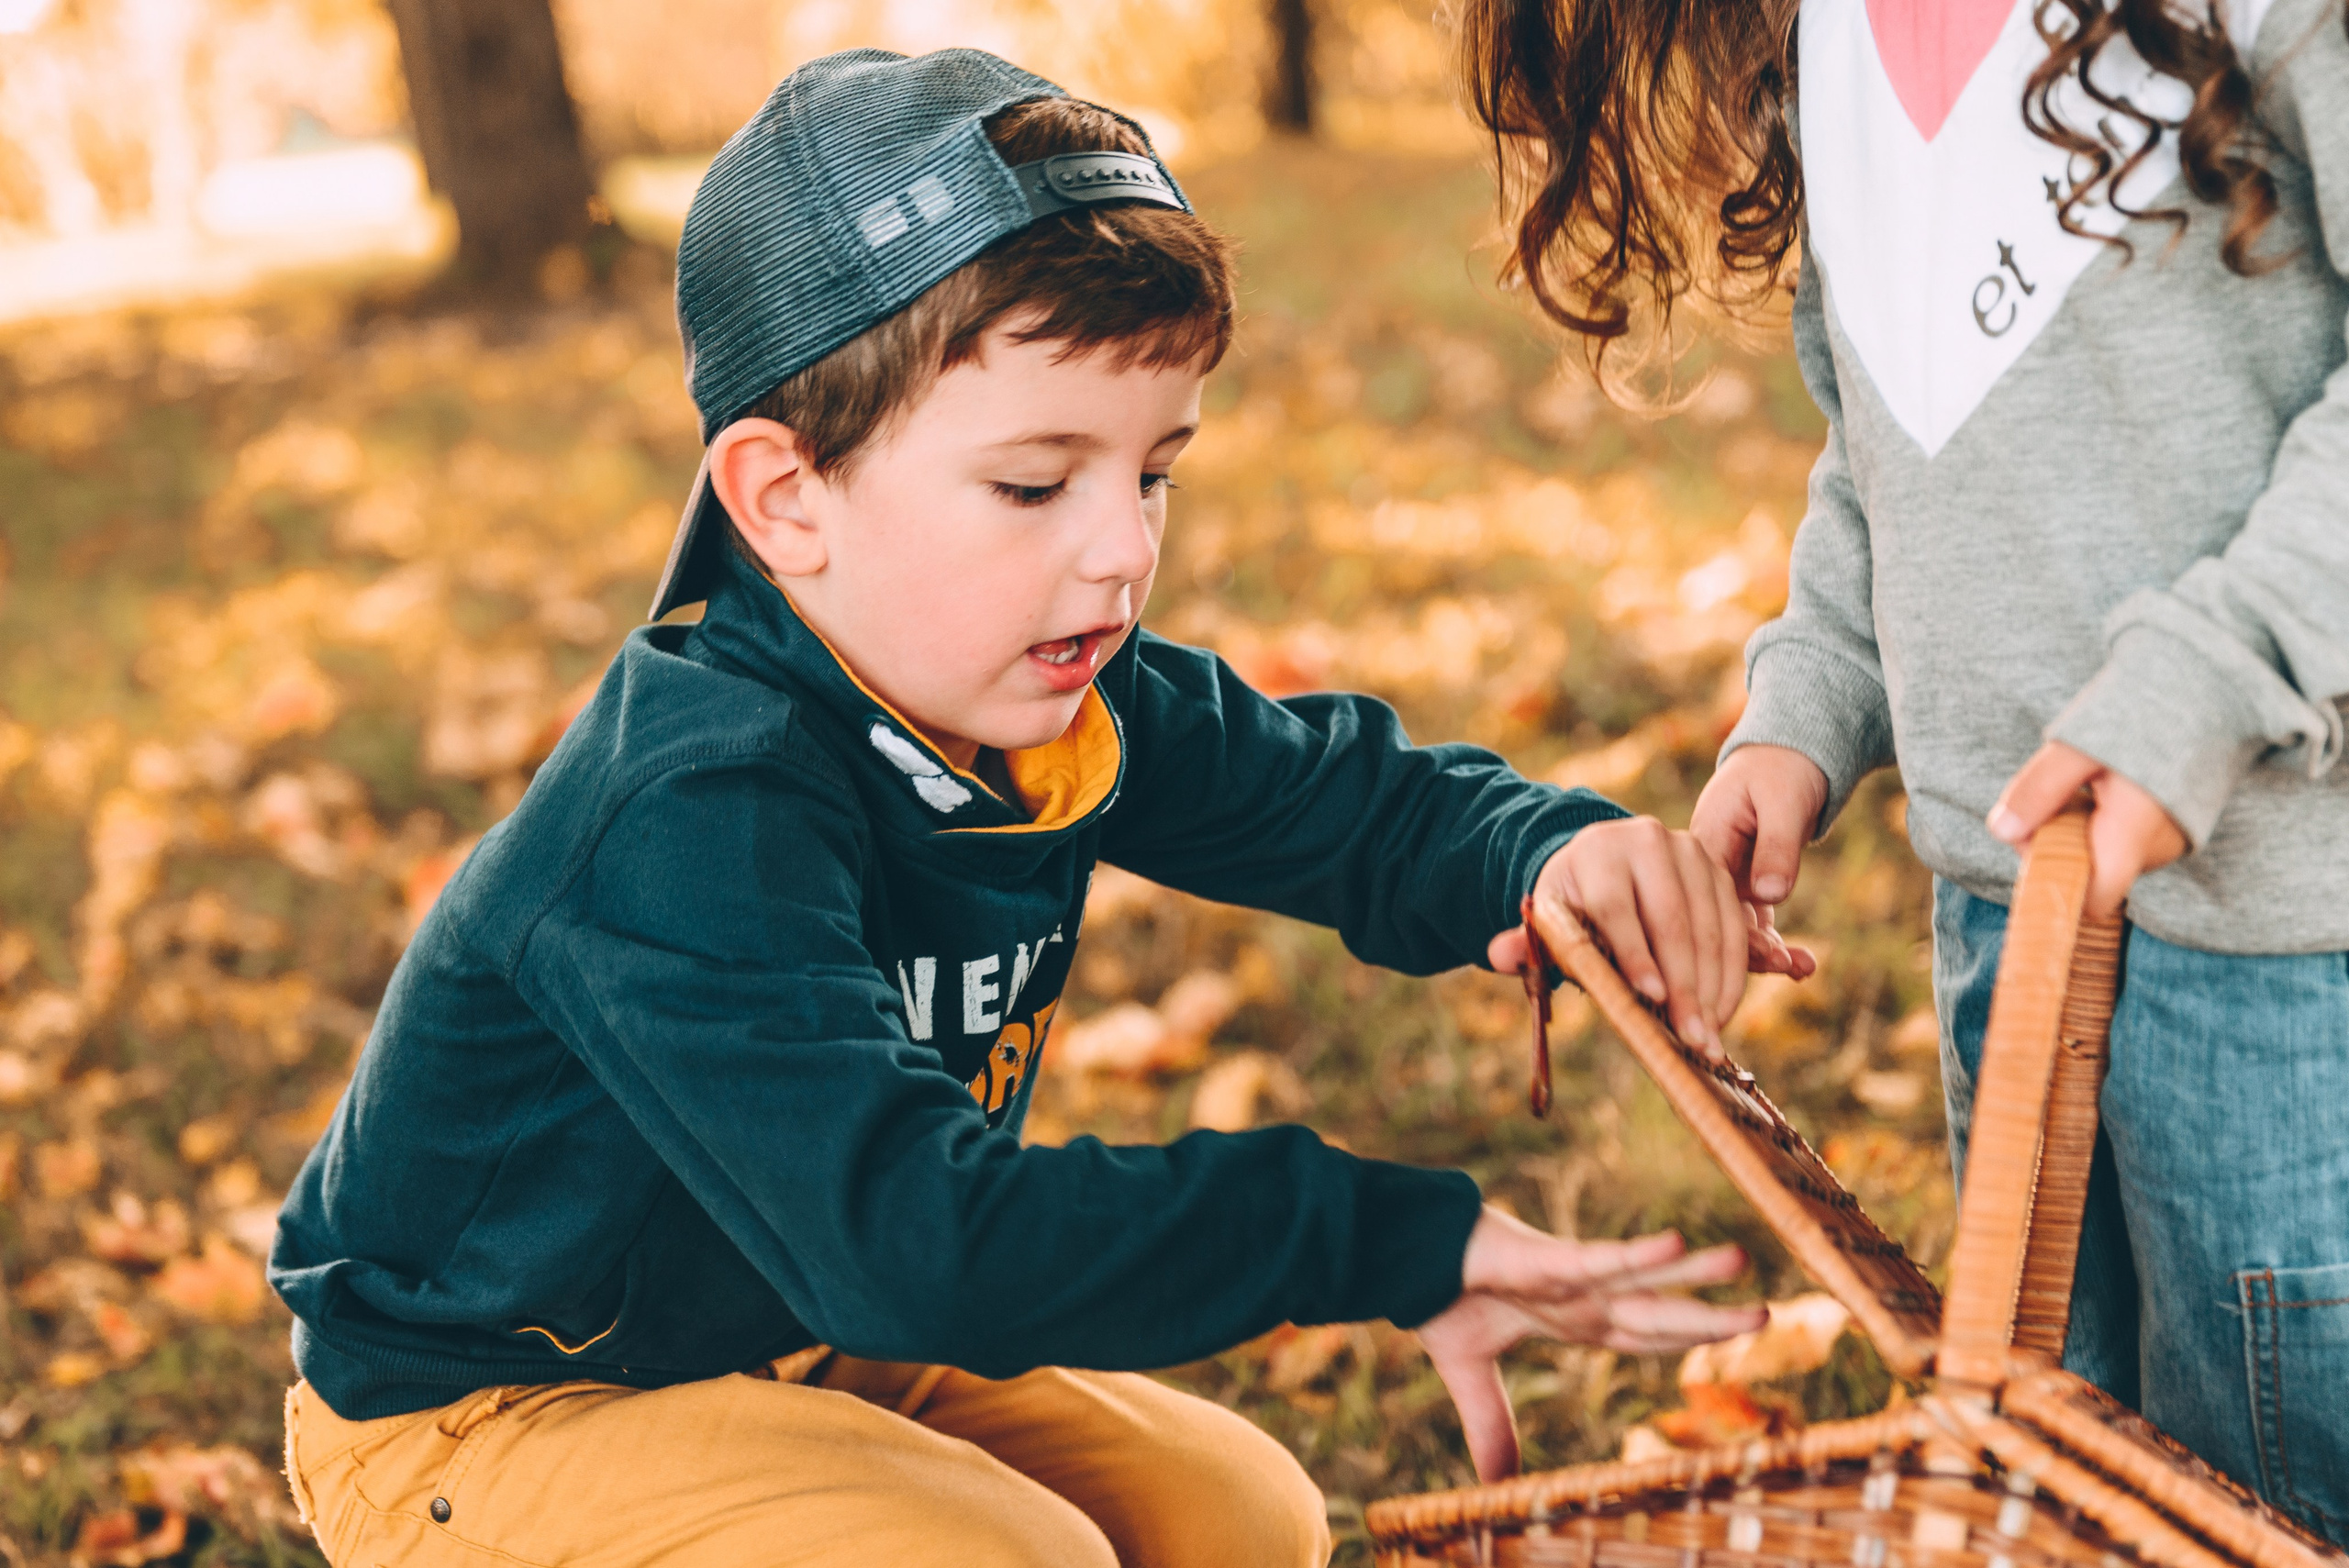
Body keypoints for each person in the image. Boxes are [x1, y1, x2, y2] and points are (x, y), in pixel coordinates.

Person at [268, 49, 1790, 1568]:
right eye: (1034, 485)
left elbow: (1352, 808)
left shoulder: (1047, 691)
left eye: (1154, 473)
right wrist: (1375, 1237)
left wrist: (1549, 853)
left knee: (1244, 1520)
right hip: (490, 1410)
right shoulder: (687, 809)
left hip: (786, 1321)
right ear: (785, 498)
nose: (1123, 551)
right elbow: (917, 1243)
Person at [1458, 0, 2349, 1536]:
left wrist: (2212, 674)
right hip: (2009, 920)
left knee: (2277, 1490)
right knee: (2063, 1477)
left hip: (2284, 950)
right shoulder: (1835, 38)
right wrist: (1806, 702)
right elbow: (1896, 442)